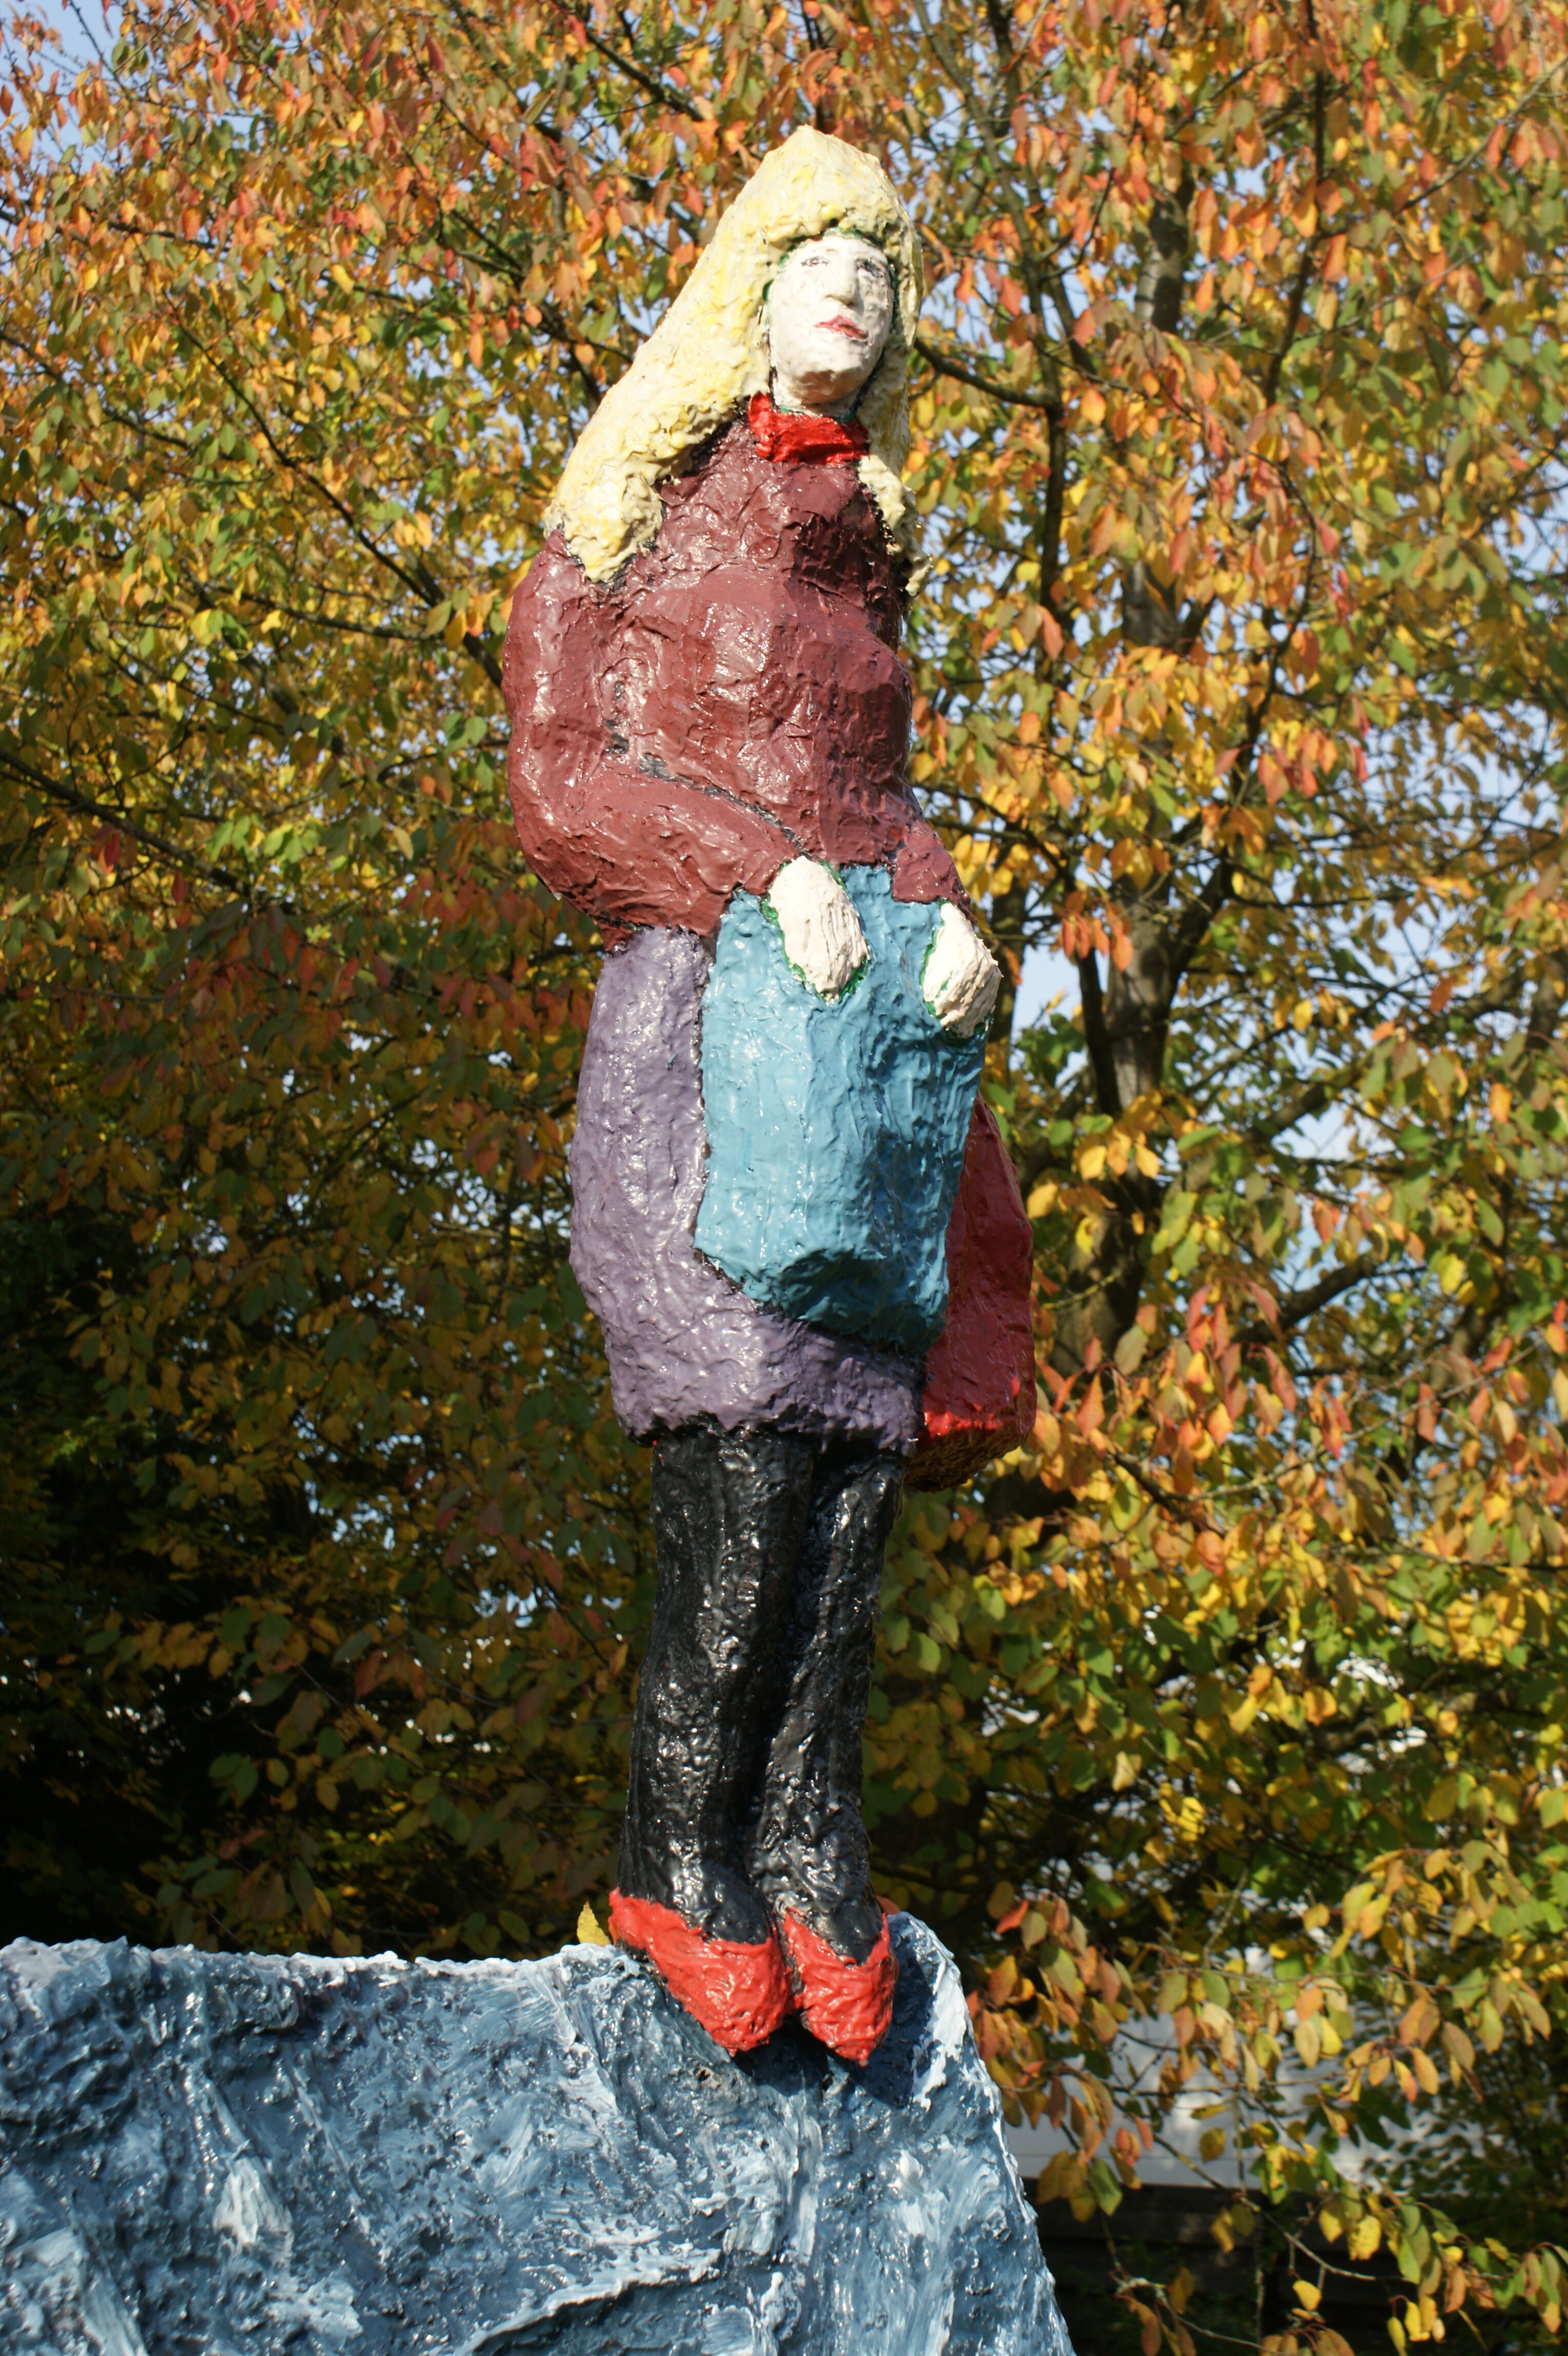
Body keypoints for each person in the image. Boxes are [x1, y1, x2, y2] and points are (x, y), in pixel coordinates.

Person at [503, 127, 1034, 2066]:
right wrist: (756, 870)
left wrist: (947, 911)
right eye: (819, 254)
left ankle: (811, 1836)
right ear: (745, 283)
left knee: (853, 1468)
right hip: (703, 1042)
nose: (856, 290)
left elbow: (878, 801)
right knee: (741, 1444)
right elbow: (562, 782)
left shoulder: (870, 542)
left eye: (880, 268)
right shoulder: (628, 518)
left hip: (860, 1051)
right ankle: (680, 1849)